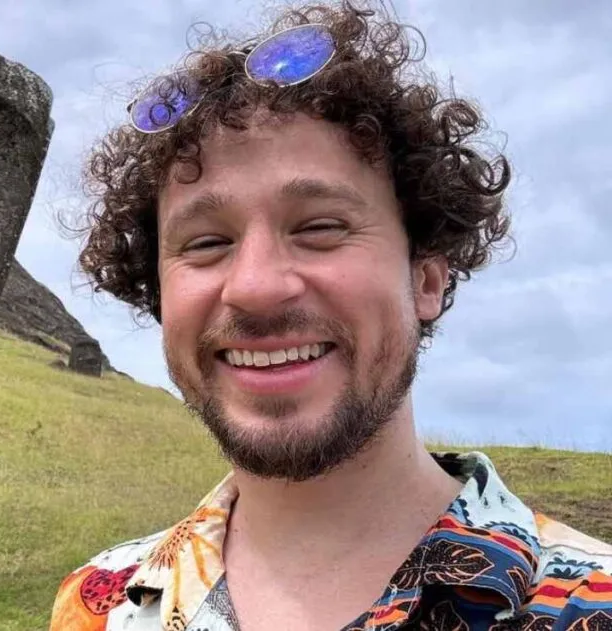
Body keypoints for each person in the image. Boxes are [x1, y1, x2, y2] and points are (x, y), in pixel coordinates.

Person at [49, 2, 612, 630]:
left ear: (425, 278)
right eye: (206, 243)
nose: (257, 287)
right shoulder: (96, 604)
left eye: (320, 227)